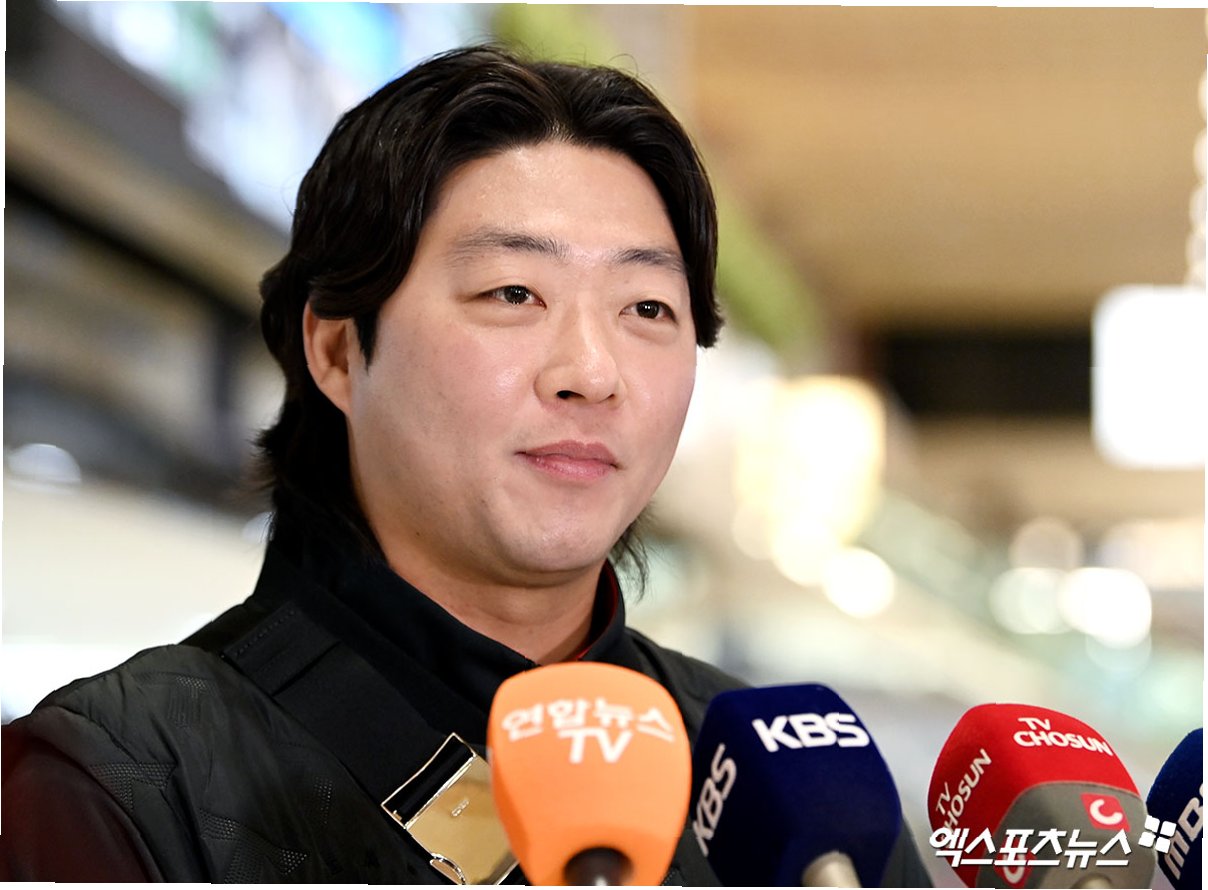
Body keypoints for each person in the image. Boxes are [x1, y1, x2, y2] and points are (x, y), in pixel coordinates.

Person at [0, 45, 932, 884]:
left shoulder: (776, 787)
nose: (591, 373)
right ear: (337, 350)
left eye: (647, 308)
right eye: (513, 292)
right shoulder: (119, 778)